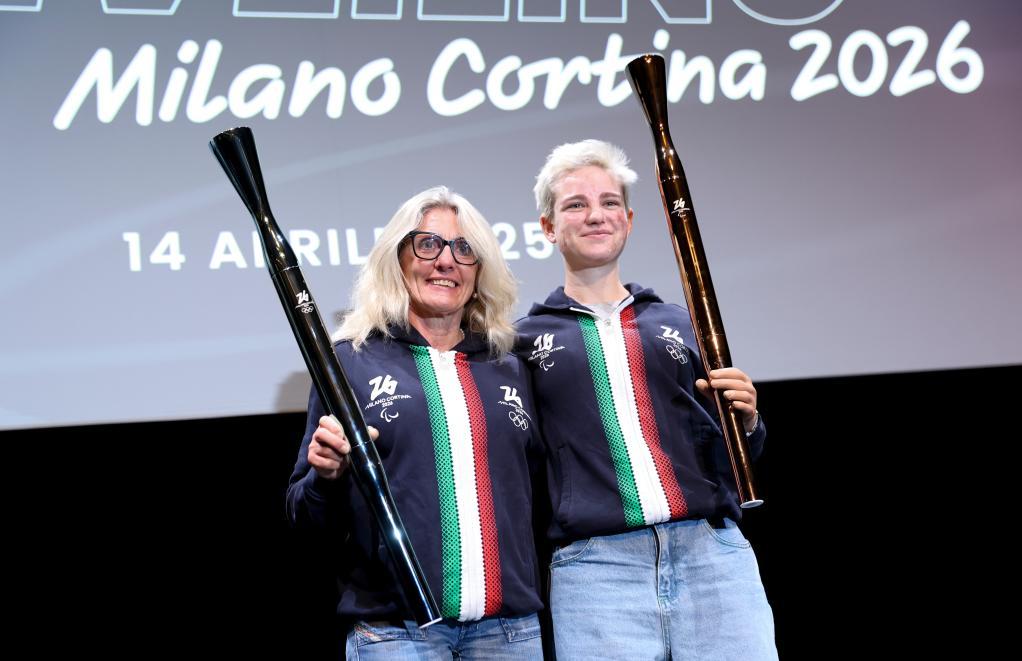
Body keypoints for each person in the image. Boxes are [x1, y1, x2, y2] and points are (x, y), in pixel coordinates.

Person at [515, 140, 777, 660]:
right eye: (576, 205)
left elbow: (736, 451)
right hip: (597, 570)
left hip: (712, 555)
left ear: (629, 220)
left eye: (609, 202)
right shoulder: (522, 342)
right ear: (548, 227)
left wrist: (747, 422)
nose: (596, 215)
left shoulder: (681, 322)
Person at [287, 186, 545, 659]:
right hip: (396, 636)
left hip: (509, 634)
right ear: (398, 259)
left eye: (464, 249)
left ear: (480, 271)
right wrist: (326, 476)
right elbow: (304, 516)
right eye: (428, 244)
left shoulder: (510, 366)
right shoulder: (350, 363)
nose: (445, 261)